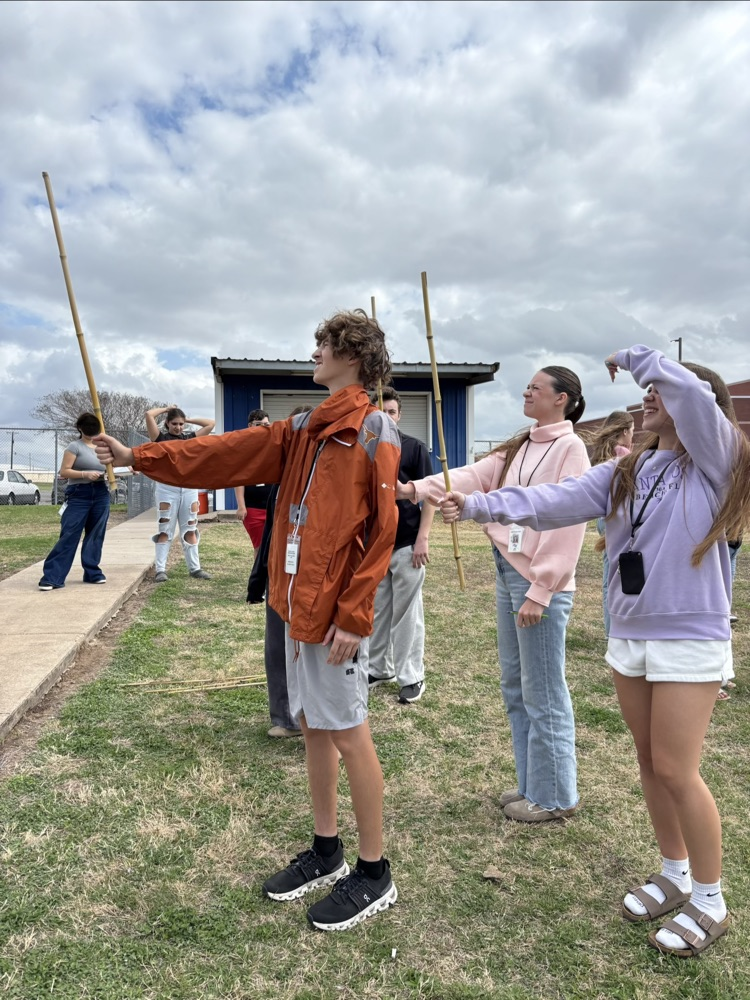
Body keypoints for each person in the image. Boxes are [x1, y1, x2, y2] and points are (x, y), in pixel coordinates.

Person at [95, 309, 401, 932]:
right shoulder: (301, 429)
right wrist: (138, 457)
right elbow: (221, 454)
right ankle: (326, 849)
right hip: (293, 601)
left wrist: (354, 614)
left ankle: (374, 873)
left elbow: (382, 531)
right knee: (313, 724)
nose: (314, 350)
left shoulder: (374, 431)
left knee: (348, 730)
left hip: (335, 613)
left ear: (357, 356)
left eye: (326, 343)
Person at [440, 345, 748, 957]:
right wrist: (474, 504)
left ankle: (711, 900)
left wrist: (644, 359)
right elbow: (551, 501)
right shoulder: (627, 471)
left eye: (662, 392)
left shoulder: (716, 461)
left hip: (688, 636)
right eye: (648, 391)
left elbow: (684, 392)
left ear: (699, 407)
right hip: (629, 632)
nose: (649, 397)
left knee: (678, 769)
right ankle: (675, 871)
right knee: (649, 761)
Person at [399, 367, 590, 822]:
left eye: (536, 387)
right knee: (515, 684)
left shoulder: (571, 448)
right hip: (507, 571)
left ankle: (555, 796)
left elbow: (570, 519)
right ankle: (532, 783)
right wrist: (413, 489)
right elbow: (472, 475)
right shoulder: (522, 442)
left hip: (537, 582)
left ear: (562, 399)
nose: (526, 391)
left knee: (543, 690)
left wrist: (542, 589)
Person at [366, 387, 435, 704]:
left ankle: (411, 675)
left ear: (399, 414)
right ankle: (379, 668)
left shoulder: (414, 448)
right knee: (378, 610)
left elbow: (431, 494)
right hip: (375, 544)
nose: (386, 416)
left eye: (391, 411)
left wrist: (423, 538)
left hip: (408, 540)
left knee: (407, 614)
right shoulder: (364, 447)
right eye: (380, 411)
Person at [251, 404, 313, 738]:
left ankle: (314, 717)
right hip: (281, 571)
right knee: (278, 645)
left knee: (310, 650)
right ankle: (286, 717)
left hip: (313, 577)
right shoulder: (280, 479)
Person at [38, 412, 110, 591]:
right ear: (80, 428)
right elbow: (64, 471)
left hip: (101, 493)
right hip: (79, 494)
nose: (92, 431)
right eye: (88, 428)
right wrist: (85, 474)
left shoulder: (104, 447)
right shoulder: (75, 446)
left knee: (96, 535)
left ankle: (92, 573)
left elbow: (113, 467)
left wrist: (127, 470)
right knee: (70, 534)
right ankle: (52, 577)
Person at [144, 405, 215, 582]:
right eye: (174, 423)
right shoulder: (160, 438)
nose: (178, 427)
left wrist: (188, 419)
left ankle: (195, 568)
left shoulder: (189, 437)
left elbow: (210, 424)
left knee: (190, 527)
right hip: (167, 488)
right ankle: (160, 569)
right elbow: (148, 414)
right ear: (167, 423)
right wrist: (167, 409)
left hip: (189, 487)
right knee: (165, 529)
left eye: (181, 424)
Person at [586, 410, 635, 636]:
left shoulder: (600, 455)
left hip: (603, 518)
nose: (632, 437)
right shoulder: (624, 455)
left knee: (608, 577)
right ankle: (614, 630)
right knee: (619, 578)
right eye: (632, 431)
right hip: (619, 518)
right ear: (624, 431)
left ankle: (610, 629)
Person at [234, 409, 274, 567]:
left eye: (267, 425)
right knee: (260, 547)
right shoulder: (243, 449)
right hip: (253, 508)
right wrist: (241, 506)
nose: (264, 428)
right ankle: (259, 585)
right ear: (250, 425)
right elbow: (238, 479)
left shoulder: (273, 445)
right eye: (259, 425)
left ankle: (272, 584)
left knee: (274, 548)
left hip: (273, 506)